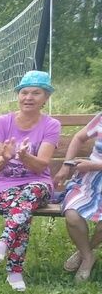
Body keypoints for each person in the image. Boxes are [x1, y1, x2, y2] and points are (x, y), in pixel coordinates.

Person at [0, 70, 60, 291]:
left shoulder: (51, 125)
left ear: (46, 98)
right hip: (3, 186)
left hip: (38, 184)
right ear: (18, 95)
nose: (29, 97)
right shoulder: (2, 122)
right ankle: (14, 272)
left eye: (36, 93)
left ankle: (3, 243)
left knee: (31, 191)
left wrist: (25, 157)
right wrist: (6, 157)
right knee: (22, 210)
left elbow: (42, 165)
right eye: (24, 92)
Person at [56, 110, 102, 282]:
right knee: (72, 215)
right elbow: (78, 138)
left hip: (92, 168)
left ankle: (85, 252)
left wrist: (94, 165)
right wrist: (67, 164)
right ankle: (88, 257)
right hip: (89, 181)